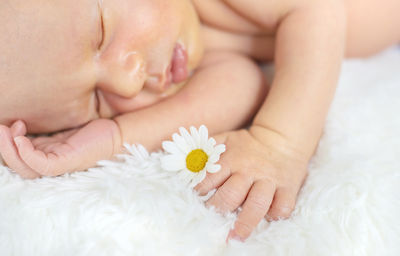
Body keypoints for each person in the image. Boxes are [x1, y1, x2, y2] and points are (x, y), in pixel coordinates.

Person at [0, 0, 399, 241]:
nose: (128, 80)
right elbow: (240, 86)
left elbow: (315, 8)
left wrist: (280, 143)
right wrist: (111, 138)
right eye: (96, 101)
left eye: (102, 34)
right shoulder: (180, 41)